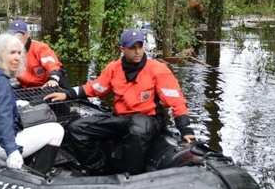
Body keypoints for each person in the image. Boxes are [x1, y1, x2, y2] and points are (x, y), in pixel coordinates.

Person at [46, 29, 195, 175]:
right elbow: (95, 87)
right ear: (122, 49)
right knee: (77, 128)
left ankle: (132, 175)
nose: (138, 52)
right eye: (132, 48)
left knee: (137, 128)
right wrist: (67, 94)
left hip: (149, 119)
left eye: (140, 46)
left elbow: (176, 100)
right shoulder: (114, 68)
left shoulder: (157, 69)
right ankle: (99, 169)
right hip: (122, 118)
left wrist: (186, 129)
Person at [0, 33, 64, 171]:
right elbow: (3, 118)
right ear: (0, 54)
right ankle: (39, 174)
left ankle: (29, 159)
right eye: (12, 53)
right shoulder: (0, 83)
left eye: (19, 53)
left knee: (32, 114)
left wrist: (16, 104)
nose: (18, 58)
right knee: (56, 130)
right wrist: (12, 151)